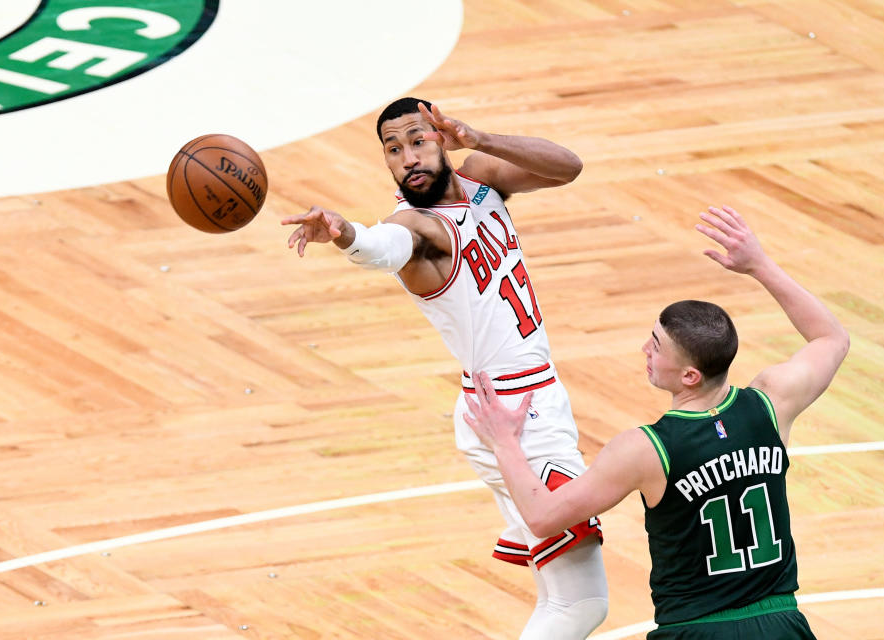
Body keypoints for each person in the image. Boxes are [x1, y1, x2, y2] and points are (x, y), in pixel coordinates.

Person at [281, 98, 609, 639]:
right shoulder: (418, 226)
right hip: (517, 412)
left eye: (417, 140)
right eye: (393, 149)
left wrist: (478, 137)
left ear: (441, 139)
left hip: (508, 405)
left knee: (561, 601)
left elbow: (566, 167)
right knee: (581, 604)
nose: (407, 157)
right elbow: (384, 246)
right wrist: (344, 233)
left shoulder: (481, 180)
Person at [463, 205, 850, 639]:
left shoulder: (647, 449)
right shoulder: (771, 404)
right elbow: (831, 338)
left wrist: (505, 443)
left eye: (657, 346)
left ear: (690, 375)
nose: (644, 349)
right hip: (782, 625)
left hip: (697, 631)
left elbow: (543, 517)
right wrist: (759, 265)